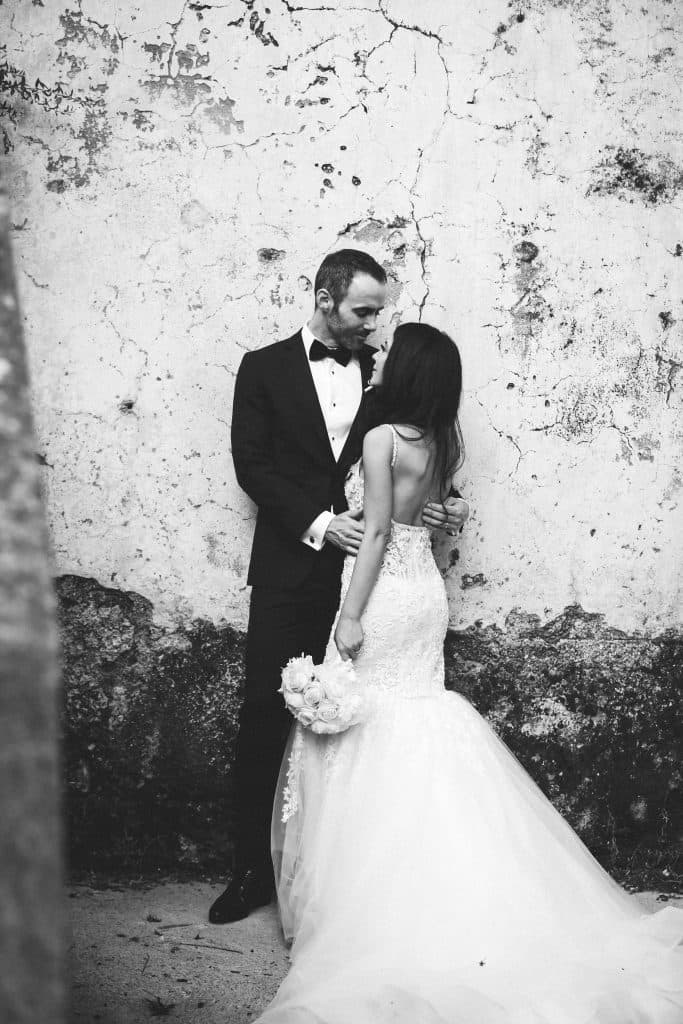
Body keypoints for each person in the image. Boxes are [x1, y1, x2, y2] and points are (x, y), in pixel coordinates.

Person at [253, 323, 683, 1023]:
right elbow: (427, 515)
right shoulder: (441, 439)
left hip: (383, 595)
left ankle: (370, 902)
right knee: (411, 720)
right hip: (425, 595)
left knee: (362, 728)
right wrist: (438, 514)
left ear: (407, 370)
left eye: (391, 352)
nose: (379, 356)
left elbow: (379, 531)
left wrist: (350, 615)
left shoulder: (382, 437)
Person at [209, 251, 468, 925]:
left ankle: (356, 877)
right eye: (363, 310)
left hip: (373, 588)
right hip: (292, 568)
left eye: (379, 311)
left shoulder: (386, 372)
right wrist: (323, 525)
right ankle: (252, 870)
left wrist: (449, 504)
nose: (374, 324)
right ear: (325, 299)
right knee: (266, 711)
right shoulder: (262, 368)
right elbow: (252, 466)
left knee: (368, 725)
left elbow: (420, 450)